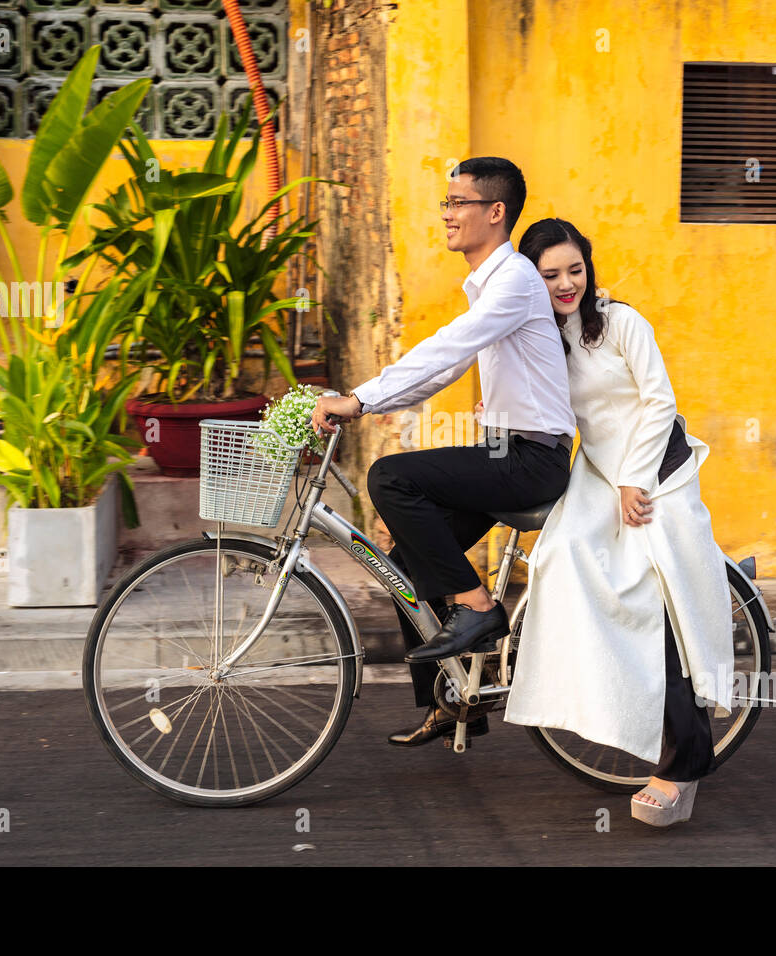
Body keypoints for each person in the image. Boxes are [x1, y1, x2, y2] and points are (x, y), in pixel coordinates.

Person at [310, 158, 576, 747]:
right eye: (446, 203)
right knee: (408, 565)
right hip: (507, 453)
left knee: (391, 478)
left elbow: (445, 347)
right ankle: (453, 700)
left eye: (458, 203)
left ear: (495, 212)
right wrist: (369, 401)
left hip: (530, 462)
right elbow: (444, 368)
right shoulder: (490, 286)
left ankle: (479, 605)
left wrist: (357, 400)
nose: (448, 215)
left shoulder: (513, 281)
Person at [503, 218, 735, 828]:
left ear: (589, 267)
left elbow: (660, 402)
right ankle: (601, 702)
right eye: (550, 274)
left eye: (574, 269)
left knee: (654, 594)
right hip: (600, 474)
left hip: (657, 471)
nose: (566, 284)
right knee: (561, 561)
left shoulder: (622, 322)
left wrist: (637, 479)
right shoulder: (542, 336)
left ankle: (684, 761)